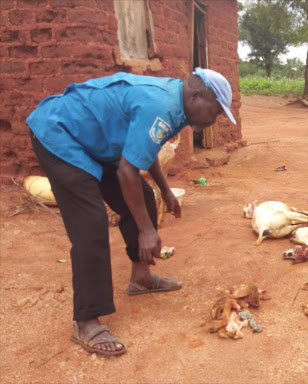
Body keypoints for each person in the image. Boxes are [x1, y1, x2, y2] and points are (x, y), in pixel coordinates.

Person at [27, 68, 236, 356]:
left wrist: (164, 189)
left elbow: (143, 149)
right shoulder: (161, 106)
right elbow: (126, 171)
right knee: (91, 222)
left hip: (93, 140)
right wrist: (146, 230)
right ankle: (86, 320)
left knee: (145, 196)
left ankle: (141, 278)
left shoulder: (176, 106)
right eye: (216, 110)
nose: (215, 119)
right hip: (60, 132)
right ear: (197, 95)